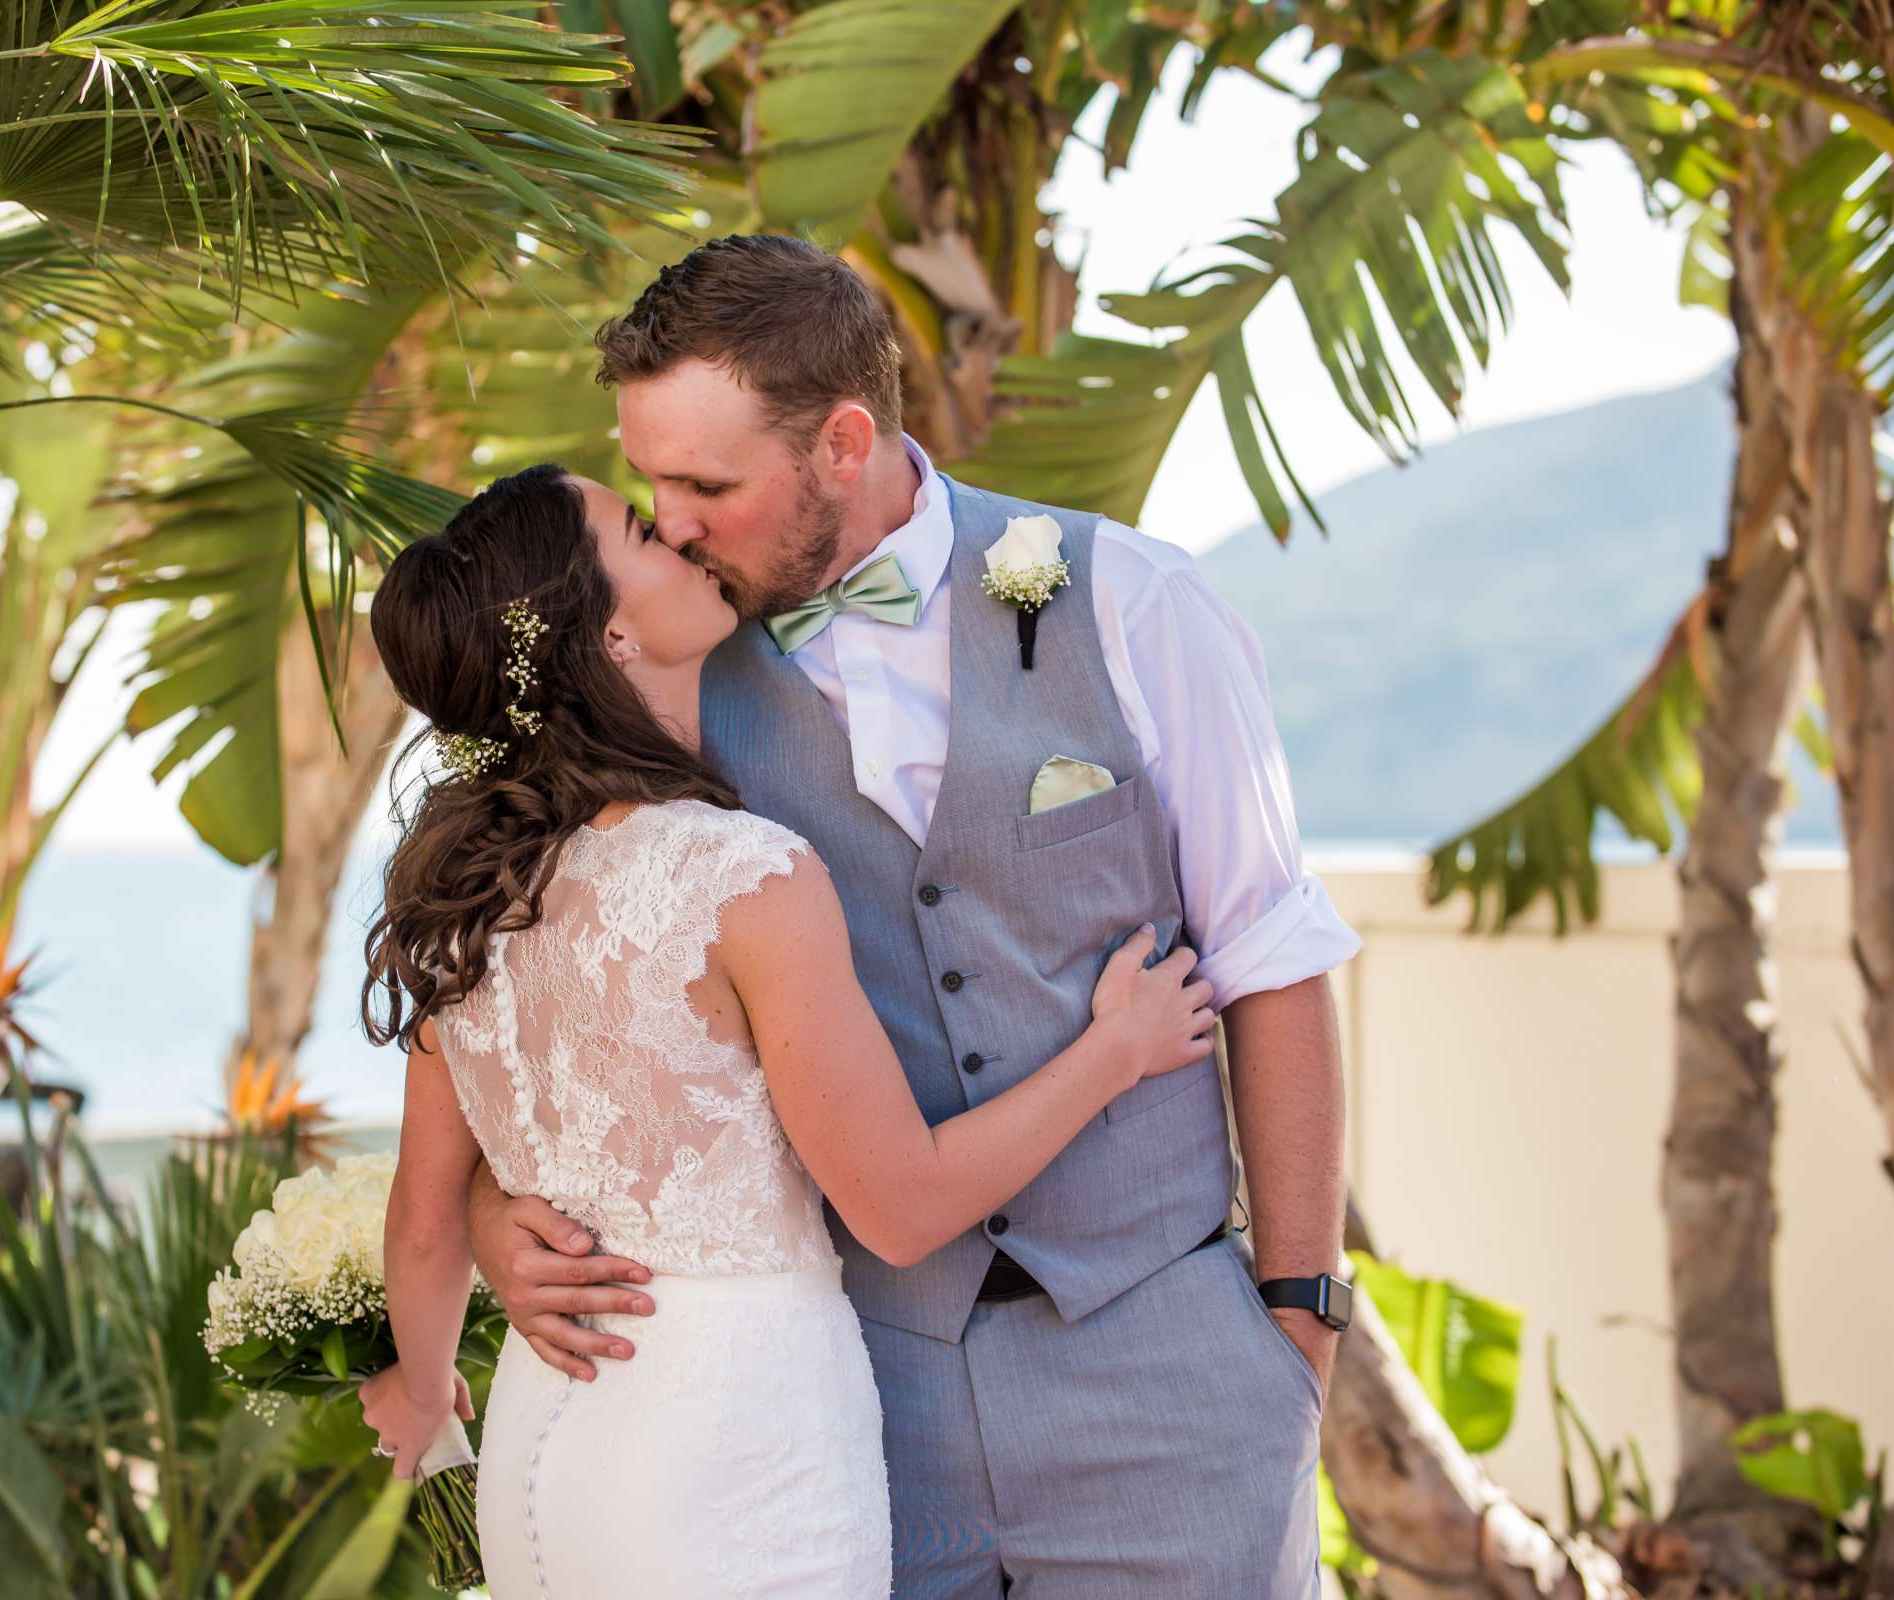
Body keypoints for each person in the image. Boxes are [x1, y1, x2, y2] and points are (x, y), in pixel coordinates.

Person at [456, 235, 1365, 1598]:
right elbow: (541, 970)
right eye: (650, 483)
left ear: (842, 440)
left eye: (707, 483)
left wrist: (1298, 1322)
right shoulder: (667, 674)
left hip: (1166, 1371)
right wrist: (492, 1211)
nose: (675, 522)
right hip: (856, 1404)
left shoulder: (1137, 603)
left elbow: (1274, 966)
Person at [354, 462, 1217, 1598]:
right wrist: (1117, 1049)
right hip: (732, 1456)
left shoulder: (463, 904)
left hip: (540, 1445)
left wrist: (425, 1397)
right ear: (608, 638)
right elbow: (901, 1208)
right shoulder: (738, 876)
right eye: (635, 530)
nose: (671, 529)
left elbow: (422, 1226)